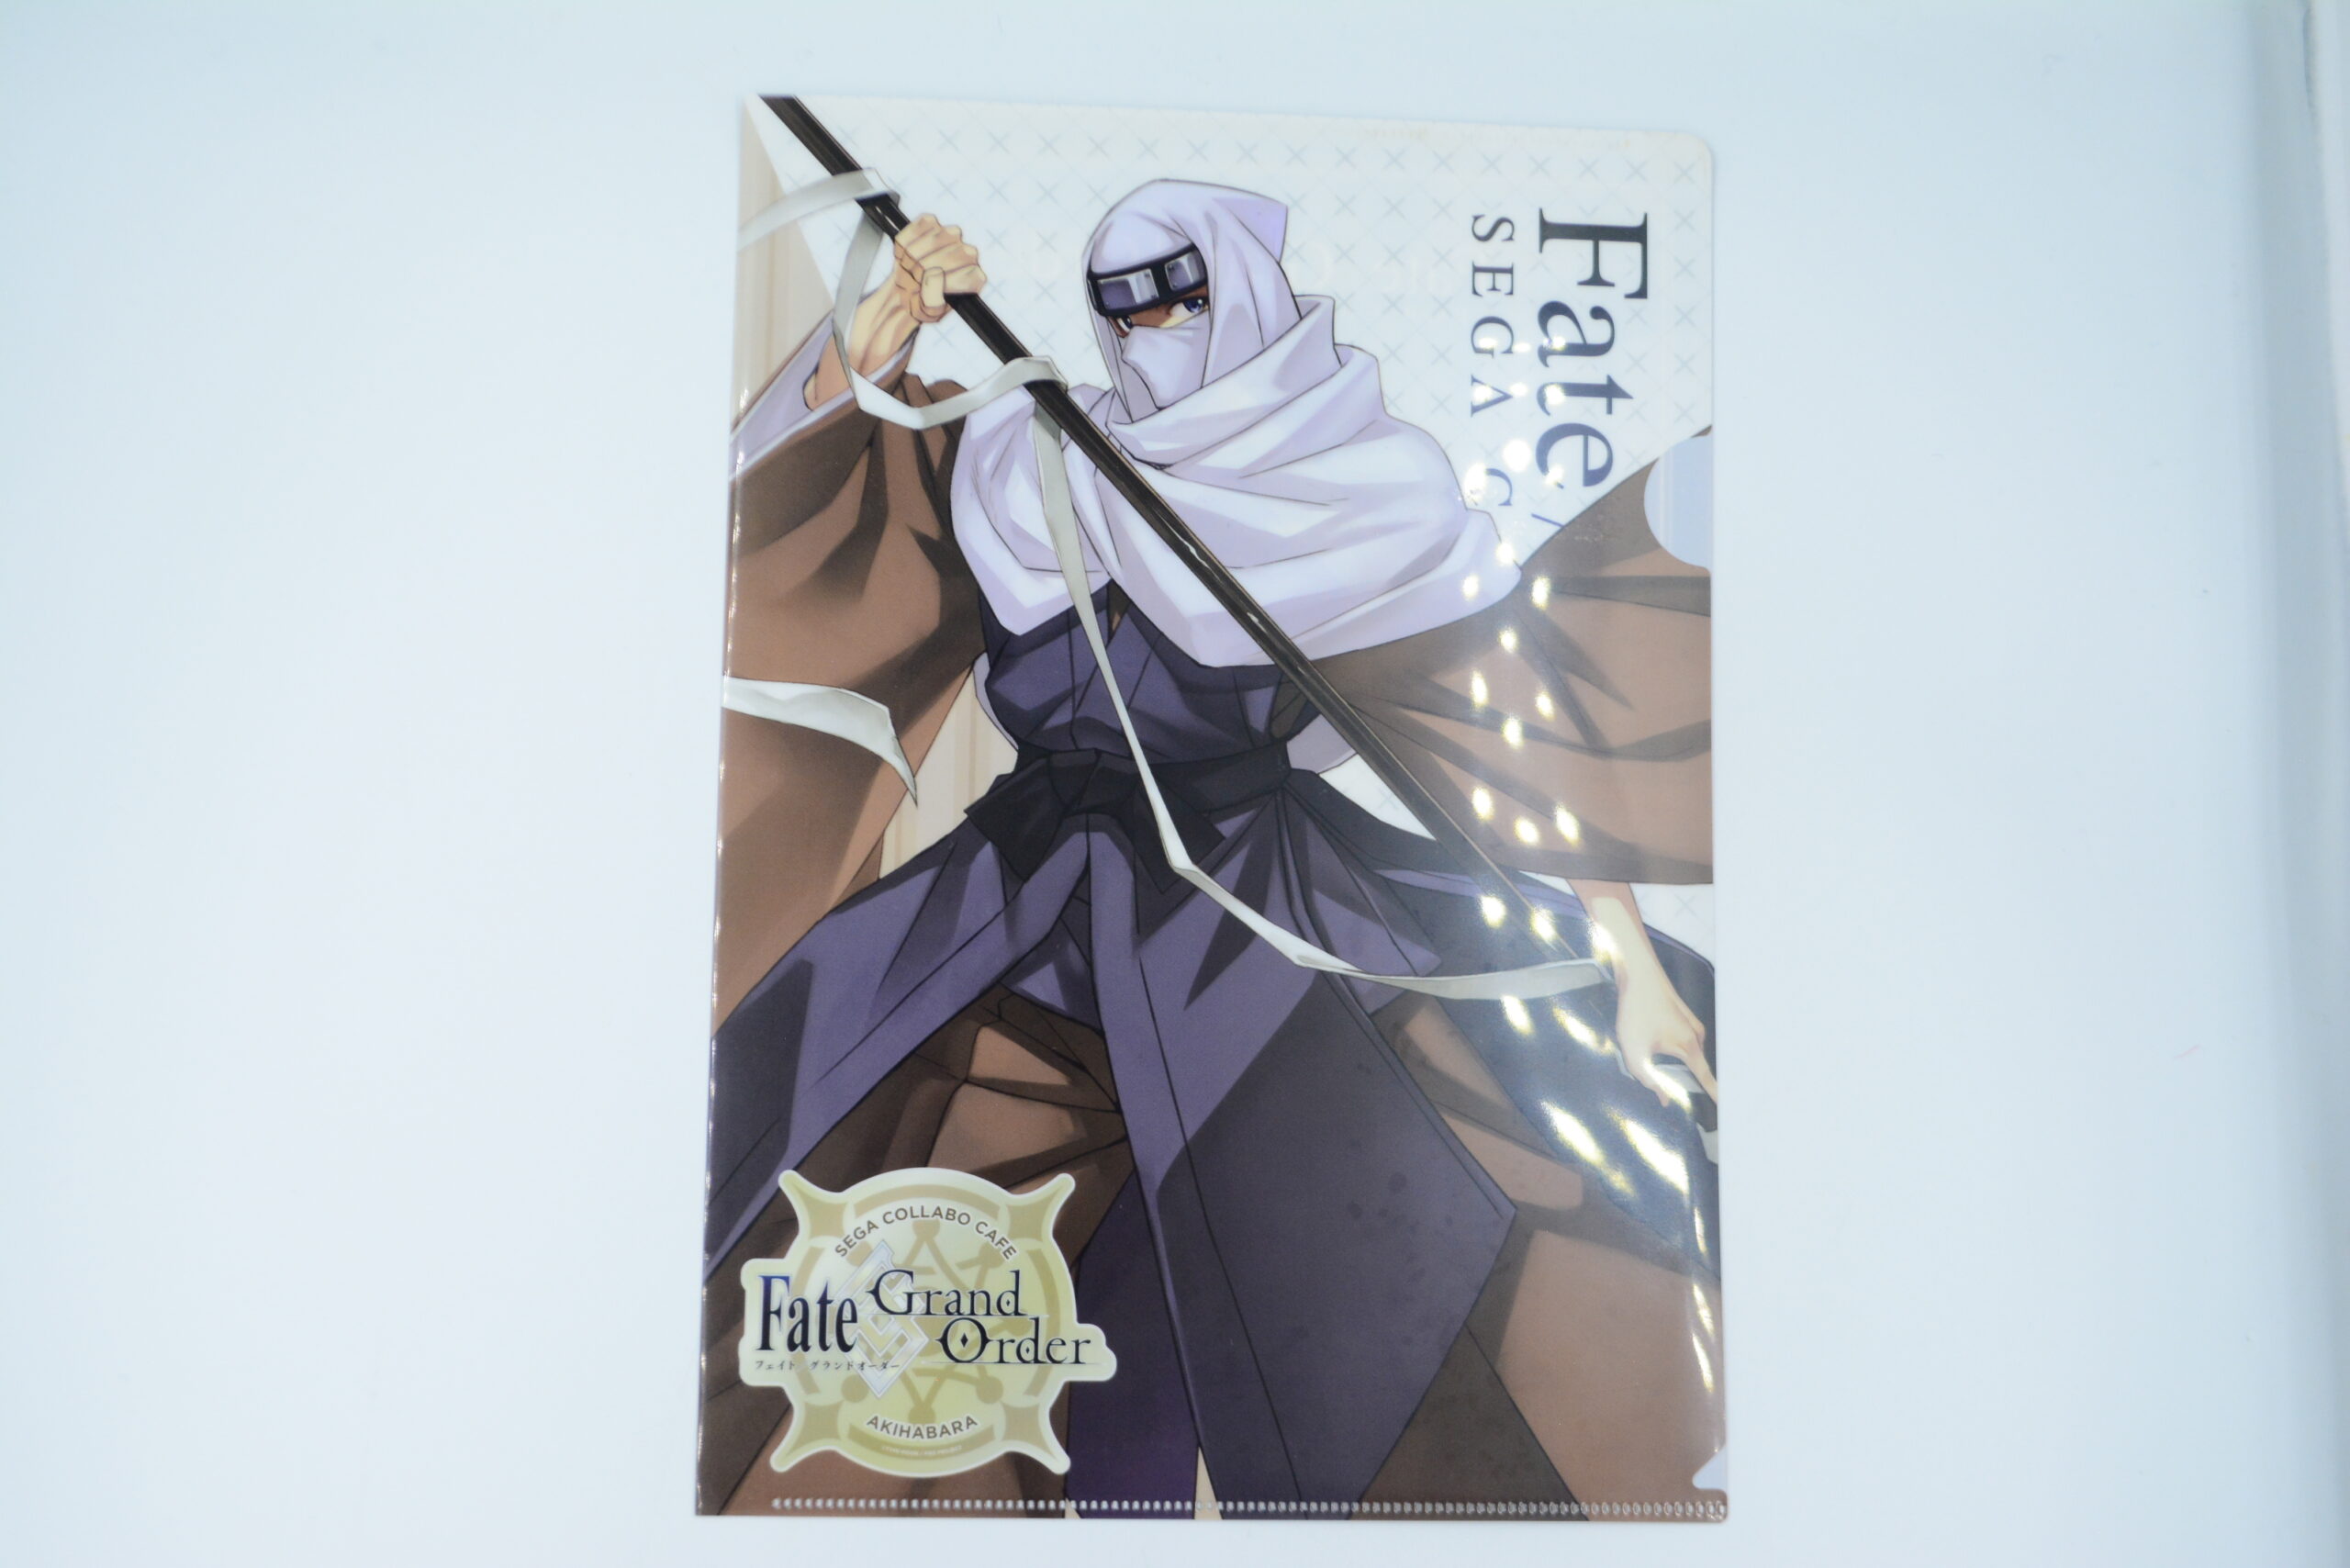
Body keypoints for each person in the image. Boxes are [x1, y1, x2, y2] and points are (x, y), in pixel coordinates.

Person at [700, 180, 1721, 1516]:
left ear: (1241, 284)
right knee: (861, 1173)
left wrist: (1628, 959)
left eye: (1179, 297)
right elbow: (824, 520)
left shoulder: (1360, 487)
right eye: (1118, 309)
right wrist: (870, 345)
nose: (1149, 333)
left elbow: (1509, 731)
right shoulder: (1020, 452)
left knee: (1324, 1260)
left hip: (1245, 933)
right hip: (1007, 915)